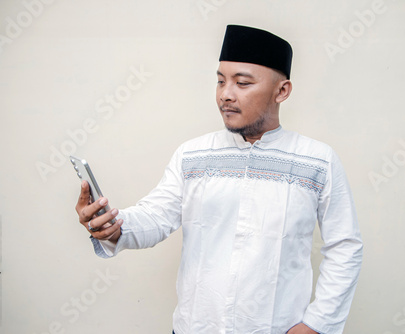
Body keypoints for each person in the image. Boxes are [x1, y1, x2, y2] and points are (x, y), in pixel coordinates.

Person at [75, 25, 363, 334]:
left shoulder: (317, 161)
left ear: (282, 91)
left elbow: (345, 246)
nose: (225, 94)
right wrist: (112, 226)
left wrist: (317, 324)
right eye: (220, 81)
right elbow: (156, 217)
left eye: (242, 83)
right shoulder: (193, 155)